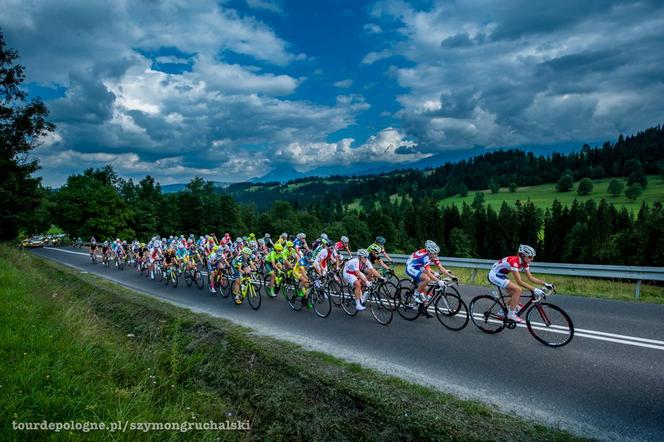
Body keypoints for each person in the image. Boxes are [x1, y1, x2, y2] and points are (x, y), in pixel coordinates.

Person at [488, 244, 554, 323]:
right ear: (522, 255)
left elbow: (530, 278)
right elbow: (519, 282)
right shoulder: (514, 262)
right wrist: (535, 289)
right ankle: (511, 315)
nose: (532, 259)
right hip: (494, 275)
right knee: (518, 290)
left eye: (533, 257)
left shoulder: (524, 262)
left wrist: (545, 284)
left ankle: (502, 311)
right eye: (530, 257)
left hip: (501, 275)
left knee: (514, 293)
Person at [405, 240, 457, 305]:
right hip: (411, 268)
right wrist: (438, 281)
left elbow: (440, 268)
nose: (436, 255)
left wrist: (452, 276)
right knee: (427, 279)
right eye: (435, 253)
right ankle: (416, 294)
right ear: (429, 252)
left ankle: (420, 304)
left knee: (428, 286)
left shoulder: (432, 255)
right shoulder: (425, 257)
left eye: (437, 253)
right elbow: (428, 272)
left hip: (420, 266)